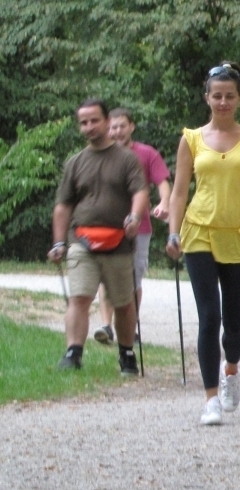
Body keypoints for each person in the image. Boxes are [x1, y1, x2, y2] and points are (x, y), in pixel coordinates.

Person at [166, 61, 240, 426]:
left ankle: (231, 371)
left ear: (239, 98)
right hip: (199, 230)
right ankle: (210, 398)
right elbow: (179, 192)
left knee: (235, 321)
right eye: (217, 96)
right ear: (207, 98)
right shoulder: (191, 139)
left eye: (229, 96)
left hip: (238, 232)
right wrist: (174, 232)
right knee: (209, 316)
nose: (223, 102)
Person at [49, 99, 149, 375]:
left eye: (94, 120)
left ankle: (126, 353)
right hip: (81, 242)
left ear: (106, 121)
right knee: (79, 298)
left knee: (124, 303)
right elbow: (63, 205)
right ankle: (73, 353)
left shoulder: (127, 159)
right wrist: (58, 243)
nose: (89, 127)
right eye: (83, 122)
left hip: (119, 244)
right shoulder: (75, 162)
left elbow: (140, 191)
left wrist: (134, 217)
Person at [93, 108, 171, 346]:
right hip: (107, 224)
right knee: (107, 275)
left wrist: (164, 203)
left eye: (121, 126)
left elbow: (162, 183)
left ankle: (129, 326)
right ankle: (106, 325)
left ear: (131, 127)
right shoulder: (101, 154)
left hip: (140, 226)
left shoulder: (147, 154)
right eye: (113, 127)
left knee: (134, 278)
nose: (117, 131)